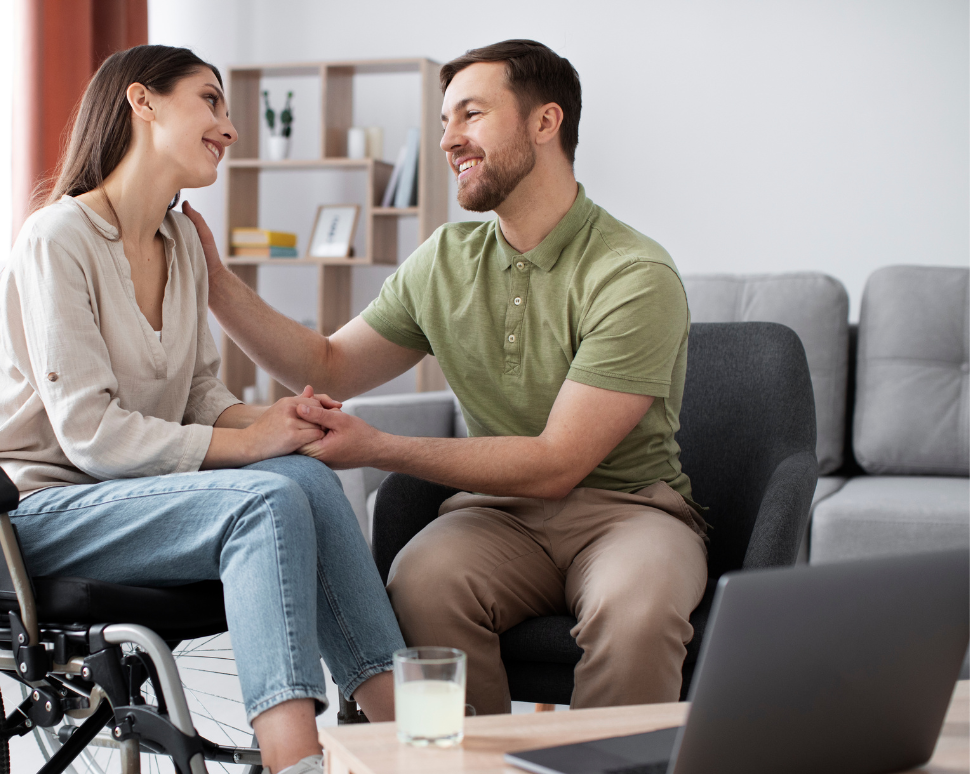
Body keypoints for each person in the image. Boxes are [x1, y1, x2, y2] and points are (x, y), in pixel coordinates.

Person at [0, 44, 404, 774]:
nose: (229, 129)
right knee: (267, 497)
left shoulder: (182, 246)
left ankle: (408, 735)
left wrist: (280, 422)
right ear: (143, 103)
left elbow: (201, 400)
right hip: (32, 508)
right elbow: (90, 432)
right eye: (212, 102)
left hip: (127, 499)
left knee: (301, 472)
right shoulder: (58, 237)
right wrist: (252, 445)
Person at [186, 39, 708, 717]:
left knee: (635, 610)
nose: (448, 140)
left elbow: (558, 463)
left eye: (470, 115)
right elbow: (328, 365)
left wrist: (377, 446)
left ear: (545, 123)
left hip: (627, 511)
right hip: (502, 516)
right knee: (421, 582)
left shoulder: (633, 273)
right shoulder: (445, 261)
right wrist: (217, 286)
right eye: (443, 122)